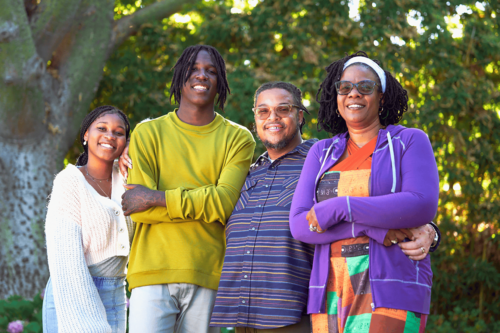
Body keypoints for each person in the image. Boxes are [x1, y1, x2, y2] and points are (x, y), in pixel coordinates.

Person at [209, 82, 440, 333]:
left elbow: (369, 194)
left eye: (283, 109)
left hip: (291, 315)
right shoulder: (246, 172)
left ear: (299, 116)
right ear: (254, 118)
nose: (272, 117)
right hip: (234, 316)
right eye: (263, 111)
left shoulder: (322, 162)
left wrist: (428, 229)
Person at [289, 51, 440, 332]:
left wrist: (342, 207)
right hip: (330, 292)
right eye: (345, 87)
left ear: (381, 96)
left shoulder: (408, 141)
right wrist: (372, 229)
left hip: (394, 286)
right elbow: (300, 225)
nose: (353, 94)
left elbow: (422, 204)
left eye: (365, 87)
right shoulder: (321, 153)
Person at [119, 45, 256, 333]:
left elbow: (223, 204)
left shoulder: (238, 138)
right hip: (151, 273)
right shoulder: (147, 133)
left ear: (220, 83)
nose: (202, 75)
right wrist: (202, 203)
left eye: (211, 71)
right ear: (180, 75)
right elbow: (138, 211)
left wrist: (156, 198)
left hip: (207, 274)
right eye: (194, 68)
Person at [43, 105, 133, 333]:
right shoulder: (69, 181)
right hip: (72, 292)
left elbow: (159, 135)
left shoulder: (128, 178)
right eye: (101, 128)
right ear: (86, 135)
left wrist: (135, 146)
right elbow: (66, 260)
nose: (110, 136)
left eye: (119, 132)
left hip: (116, 293)